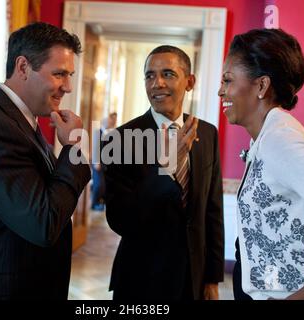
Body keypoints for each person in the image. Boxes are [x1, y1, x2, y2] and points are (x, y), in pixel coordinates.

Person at [0, 22, 91, 299]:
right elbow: (43, 224)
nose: (68, 87)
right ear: (23, 67)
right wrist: (73, 148)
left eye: (69, 75)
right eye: (59, 74)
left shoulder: (18, 120)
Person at [218, 28, 304, 300]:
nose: (221, 91)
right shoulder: (266, 136)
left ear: (262, 86)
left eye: (228, 80)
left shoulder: (281, 141)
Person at [103, 45, 224, 300]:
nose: (156, 83)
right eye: (149, 76)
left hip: (193, 278)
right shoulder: (120, 139)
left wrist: (212, 278)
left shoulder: (207, 133)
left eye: (168, 74)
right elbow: (119, 219)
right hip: (141, 279)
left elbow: (212, 209)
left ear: (189, 82)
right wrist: (166, 168)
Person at [91, 112, 117, 211]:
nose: (112, 122)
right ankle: (94, 204)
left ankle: (99, 202)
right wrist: (96, 162)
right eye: (111, 120)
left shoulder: (108, 133)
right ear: (106, 120)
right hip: (97, 162)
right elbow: (96, 147)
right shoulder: (98, 132)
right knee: (98, 185)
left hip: (105, 163)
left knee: (103, 185)